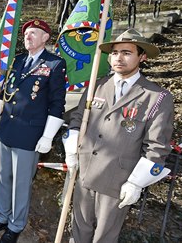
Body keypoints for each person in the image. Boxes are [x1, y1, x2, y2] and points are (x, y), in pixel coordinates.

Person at [63, 29, 174, 243]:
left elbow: (157, 147)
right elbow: (77, 119)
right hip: (84, 172)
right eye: (114, 53)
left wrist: (136, 183)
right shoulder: (97, 85)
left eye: (126, 52)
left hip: (118, 180)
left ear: (142, 57)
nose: (118, 58)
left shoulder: (156, 97)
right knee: (79, 232)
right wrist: (71, 148)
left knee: (104, 237)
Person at [0, 19, 66, 243]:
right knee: (2, 177)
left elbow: (57, 104)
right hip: (7, 128)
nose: (27, 36)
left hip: (29, 134)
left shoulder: (55, 64)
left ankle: (15, 225)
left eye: (33, 33)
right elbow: (6, 90)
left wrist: (48, 136)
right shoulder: (18, 60)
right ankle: (2, 216)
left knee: (20, 182)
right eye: (26, 33)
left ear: (45, 38)